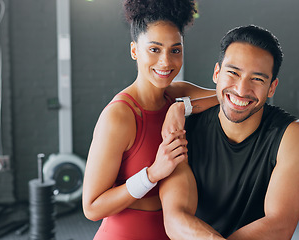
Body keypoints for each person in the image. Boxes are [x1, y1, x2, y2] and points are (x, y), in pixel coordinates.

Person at [159, 25, 299, 239]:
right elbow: (175, 217)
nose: (242, 90)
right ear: (217, 73)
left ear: (272, 87)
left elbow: (280, 224)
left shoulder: (293, 135)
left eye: (257, 79)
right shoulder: (186, 128)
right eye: (233, 73)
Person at [82, 0, 216, 239]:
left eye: (175, 50)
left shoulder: (176, 94)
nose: (166, 62)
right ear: (134, 50)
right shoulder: (119, 116)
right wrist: (152, 173)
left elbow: (231, 97)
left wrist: (179, 108)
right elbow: (92, 207)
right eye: (154, 49)